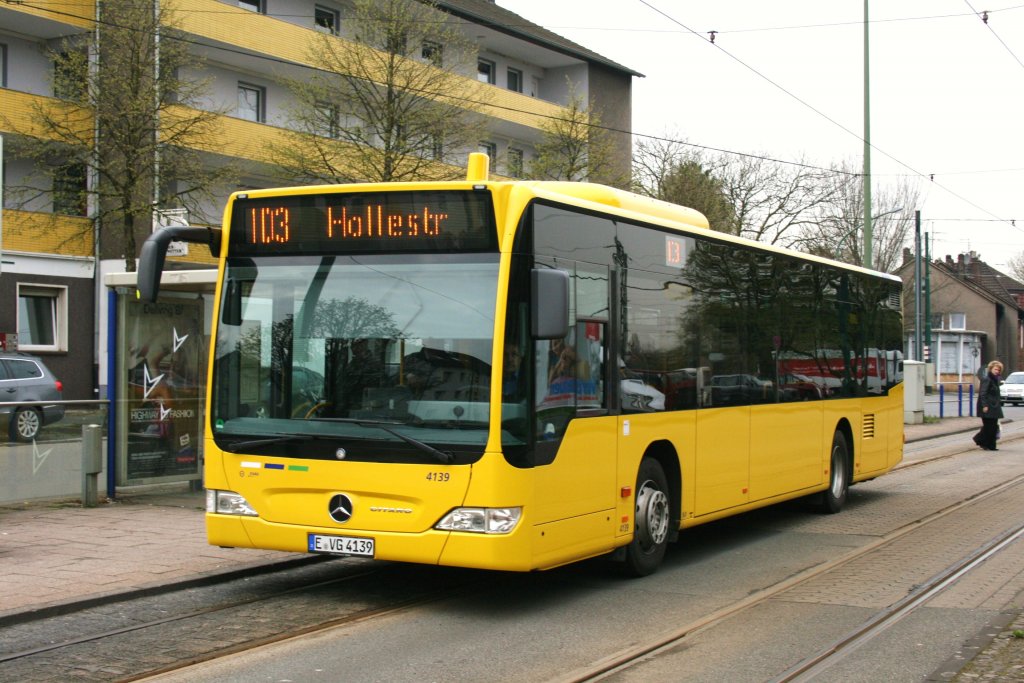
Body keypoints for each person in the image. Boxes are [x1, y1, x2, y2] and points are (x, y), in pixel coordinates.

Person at [973, 360, 1004, 451]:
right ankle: (980, 440)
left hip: (994, 406)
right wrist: (985, 405)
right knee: (989, 426)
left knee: (993, 426)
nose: (997, 371)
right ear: (990, 369)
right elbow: (983, 393)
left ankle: (990, 445)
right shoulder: (987, 379)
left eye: (998, 370)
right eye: (995, 369)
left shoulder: (995, 379)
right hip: (987, 406)